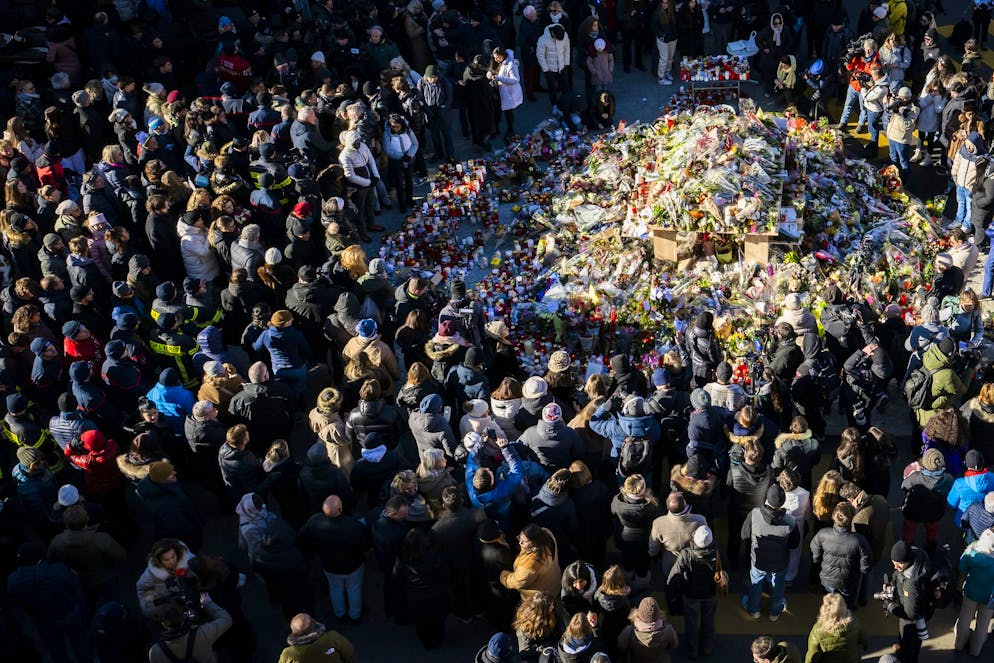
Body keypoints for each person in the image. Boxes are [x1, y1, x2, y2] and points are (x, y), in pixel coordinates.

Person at [741, 484, 800, 621]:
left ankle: (754, 609)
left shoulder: (754, 514)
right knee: (778, 584)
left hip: (758, 560)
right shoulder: (791, 521)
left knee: (756, 582)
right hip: (780, 561)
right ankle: (775, 611)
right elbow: (794, 544)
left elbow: (744, 535)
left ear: (767, 498)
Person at [667, 525, 718, 659]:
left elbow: (674, 576)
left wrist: (672, 593)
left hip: (691, 593)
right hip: (711, 592)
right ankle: (707, 648)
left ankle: (692, 650)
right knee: (708, 621)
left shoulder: (687, 553)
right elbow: (725, 568)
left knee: (691, 622)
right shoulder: (717, 552)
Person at [809, 502, 872, 608]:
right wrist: (862, 571)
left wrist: (817, 560)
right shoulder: (859, 540)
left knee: (829, 602)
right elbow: (866, 561)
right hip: (847, 581)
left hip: (827, 578)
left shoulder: (823, 533)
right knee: (847, 603)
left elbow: (814, 549)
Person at [885, 541, 933, 663]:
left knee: (908, 642)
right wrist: (892, 582)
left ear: (904, 562)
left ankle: (905, 657)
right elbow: (898, 574)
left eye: (898, 565)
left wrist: (889, 605)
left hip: (911, 619)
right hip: (923, 609)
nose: (895, 568)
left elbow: (909, 614)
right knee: (915, 641)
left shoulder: (911, 583)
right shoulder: (918, 554)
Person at [149, 597, 233, 663]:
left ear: (163, 623)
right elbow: (226, 619)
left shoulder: (155, 652)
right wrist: (207, 603)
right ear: (184, 616)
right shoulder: (202, 634)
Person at [954, 528, 994, 656]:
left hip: (971, 591)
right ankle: (975, 651)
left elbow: (962, 571)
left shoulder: (971, 552)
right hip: (990, 597)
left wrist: (958, 588)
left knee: (965, 618)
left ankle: (959, 645)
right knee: (983, 625)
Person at [501, 523, 561, 601]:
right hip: (554, 581)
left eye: (524, 541)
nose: (520, 543)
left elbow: (517, 582)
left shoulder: (531, 564)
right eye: (519, 538)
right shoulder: (546, 534)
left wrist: (503, 575)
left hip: (541, 595)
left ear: (534, 542)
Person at [803, 593, 868, 663]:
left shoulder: (818, 631)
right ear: (843, 608)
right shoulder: (854, 622)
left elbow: (812, 656)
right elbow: (864, 638)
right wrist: (865, 645)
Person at [616, 596, 679, 663]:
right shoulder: (668, 630)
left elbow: (621, 646)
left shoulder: (629, 631)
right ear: (658, 612)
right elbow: (674, 645)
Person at [278, 613, 354, 663]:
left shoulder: (288, 654)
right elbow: (349, 652)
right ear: (314, 622)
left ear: (293, 632)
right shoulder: (332, 637)